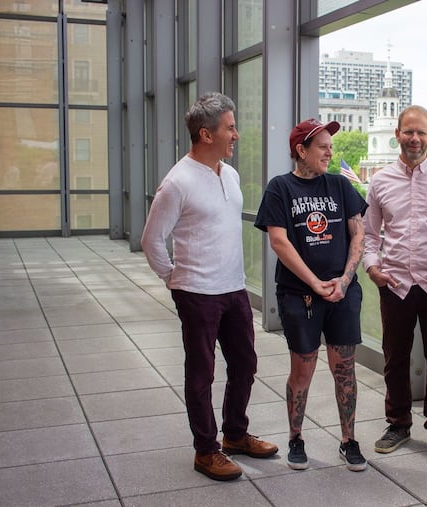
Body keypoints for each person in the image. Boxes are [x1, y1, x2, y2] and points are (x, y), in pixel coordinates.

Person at [141, 92, 278, 482]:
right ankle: (206, 449)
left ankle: (235, 434)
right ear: (206, 134)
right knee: (201, 374)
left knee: (246, 364)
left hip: (233, 289)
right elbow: (152, 239)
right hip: (197, 293)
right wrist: (174, 278)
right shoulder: (177, 182)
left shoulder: (229, 174)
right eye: (230, 128)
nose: (236, 135)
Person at [254, 118, 368, 472]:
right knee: (302, 370)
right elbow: (279, 241)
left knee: (344, 369)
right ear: (301, 150)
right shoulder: (280, 188)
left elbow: (358, 235)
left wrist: (345, 280)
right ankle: (296, 437)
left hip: (342, 293)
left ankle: (348, 440)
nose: (329, 152)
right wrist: (314, 283)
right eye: (322, 146)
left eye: (331, 147)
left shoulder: (339, 186)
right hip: (298, 296)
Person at [362, 105, 427, 456]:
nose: (415, 138)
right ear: (397, 134)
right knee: (395, 357)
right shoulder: (379, 181)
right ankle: (398, 424)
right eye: (408, 132)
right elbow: (369, 235)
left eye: (421, 132)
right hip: (395, 284)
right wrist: (372, 269)